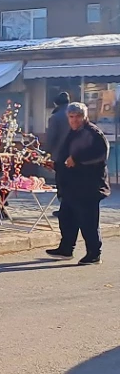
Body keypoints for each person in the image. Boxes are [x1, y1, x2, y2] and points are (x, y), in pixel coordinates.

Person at [46, 102, 110, 265]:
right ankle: (66, 249)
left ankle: (94, 253)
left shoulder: (93, 133)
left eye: (78, 117)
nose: (74, 120)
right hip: (72, 186)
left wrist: (78, 160)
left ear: (84, 117)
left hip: (88, 186)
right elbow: (66, 157)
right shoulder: (72, 133)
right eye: (71, 117)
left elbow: (100, 155)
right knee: (66, 218)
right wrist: (55, 165)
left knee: (88, 222)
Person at [45, 92, 71, 216]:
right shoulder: (75, 114)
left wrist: (47, 152)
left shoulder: (56, 117)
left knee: (62, 183)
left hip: (61, 155)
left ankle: (64, 210)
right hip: (76, 154)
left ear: (56, 103)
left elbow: (51, 137)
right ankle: (73, 208)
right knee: (74, 182)